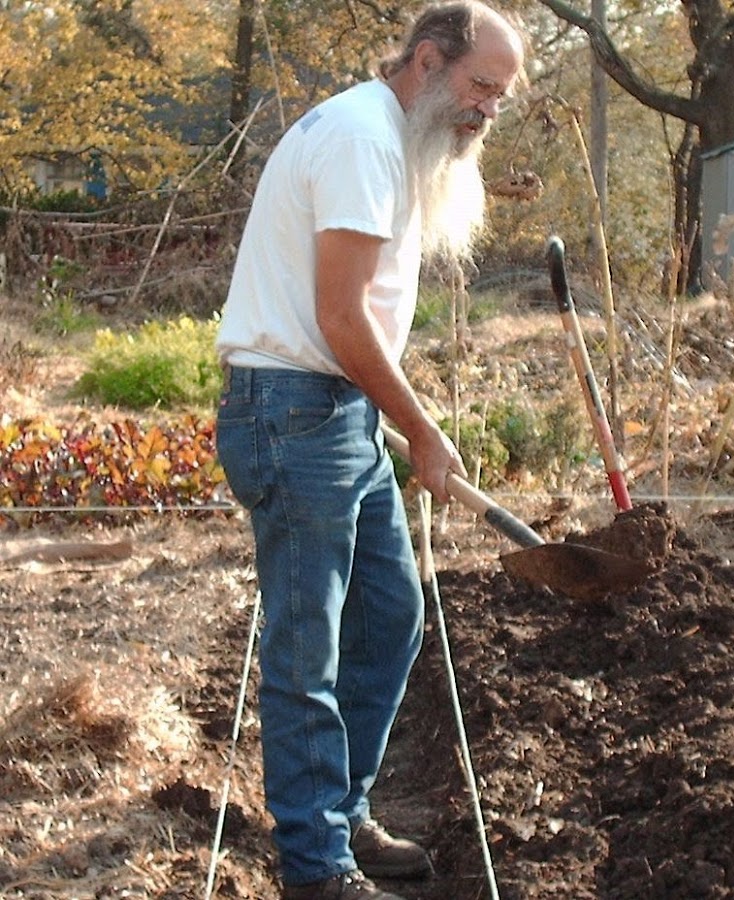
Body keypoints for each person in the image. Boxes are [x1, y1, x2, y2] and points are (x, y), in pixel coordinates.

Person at [214, 2, 525, 897]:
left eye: (500, 98)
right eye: (480, 87)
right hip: (293, 411)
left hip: (335, 408)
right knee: (306, 647)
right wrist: (423, 428)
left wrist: (386, 416)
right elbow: (341, 317)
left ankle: (340, 812)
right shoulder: (361, 140)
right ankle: (315, 864)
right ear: (428, 60)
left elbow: (352, 328)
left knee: (389, 615)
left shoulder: (389, 138)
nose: (487, 111)